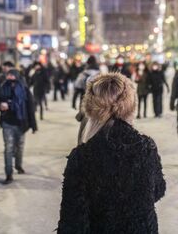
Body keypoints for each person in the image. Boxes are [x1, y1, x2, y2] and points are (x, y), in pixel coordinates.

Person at [57, 73, 165, 233]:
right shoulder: (146, 147)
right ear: (130, 106)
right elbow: (158, 190)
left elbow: (72, 220)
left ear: (92, 108)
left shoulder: (81, 156)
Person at [0, 68, 37, 184]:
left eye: (12, 76)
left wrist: (33, 125)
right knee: (8, 148)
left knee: (19, 146)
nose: (10, 80)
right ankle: (8, 174)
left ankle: (18, 166)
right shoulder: (2, 89)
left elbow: (31, 108)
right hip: (7, 123)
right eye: (8, 76)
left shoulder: (24, 90)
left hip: (21, 123)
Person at [72, 56, 100, 144]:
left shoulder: (83, 74)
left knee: (84, 125)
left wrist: (74, 102)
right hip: (99, 103)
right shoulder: (101, 74)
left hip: (85, 101)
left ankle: (81, 145)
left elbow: (77, 87)